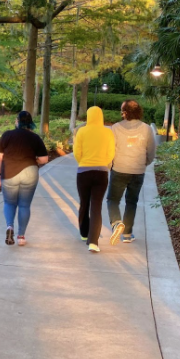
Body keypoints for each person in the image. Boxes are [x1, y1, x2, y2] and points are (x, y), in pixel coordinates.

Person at [0, 111, 49, 246]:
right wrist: (33, 159)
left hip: (10, 172)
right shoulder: (35, 138)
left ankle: (9, 227)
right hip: (29, 172)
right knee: (24, 205)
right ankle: (21, 237)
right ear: (30, 122)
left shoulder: (7, 135)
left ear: (17, 121)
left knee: (9, 203)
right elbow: (44, 159)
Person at [107, 100, 156, 244]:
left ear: (125, 112)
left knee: (112, 199)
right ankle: (127, 234)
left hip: (119, 169)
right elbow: (151, 151)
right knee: (132, 202)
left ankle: (116, 223)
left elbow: (111, 150)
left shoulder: (115, 128)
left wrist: (110, 165)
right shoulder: (147, 129)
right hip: (138, 170)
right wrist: (144, 163)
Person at [73, 106, 115, 253]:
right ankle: (93, 241)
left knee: (84, 203)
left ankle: (84, 233)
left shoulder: (82, 131)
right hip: (101, 172)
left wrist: (83, 162)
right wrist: (103, 163)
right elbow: (111, 153)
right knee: (96, 206)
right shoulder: (108, 132)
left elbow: (77, 152)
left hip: (84, 171)